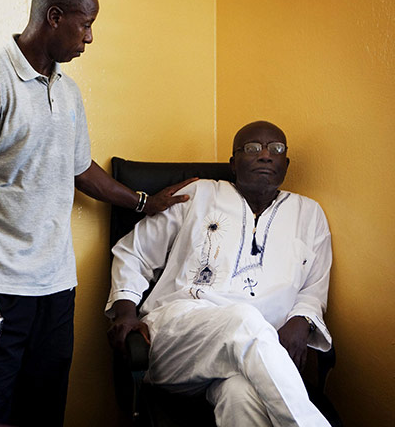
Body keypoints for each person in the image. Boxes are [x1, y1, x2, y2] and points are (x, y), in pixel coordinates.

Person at [0, 0, 194, 426]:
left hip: (54, 289)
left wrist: (142, 202)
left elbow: (81, 169)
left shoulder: (68, 91)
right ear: (54, 17)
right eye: (85, 24)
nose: (90, 38)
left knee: (44, 410)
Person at [106, 121, 333, 426]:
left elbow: (314, 287)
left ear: (286, 163)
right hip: (179, 338)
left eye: (276, 149)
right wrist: (124, 312)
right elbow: (134, 253)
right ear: (233, 163)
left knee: (240, 397)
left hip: (259, 358)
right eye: (252, 148)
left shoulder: (310, 213)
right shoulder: (196, 196)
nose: (266, 155)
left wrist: (303, 318)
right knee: (244, 318)